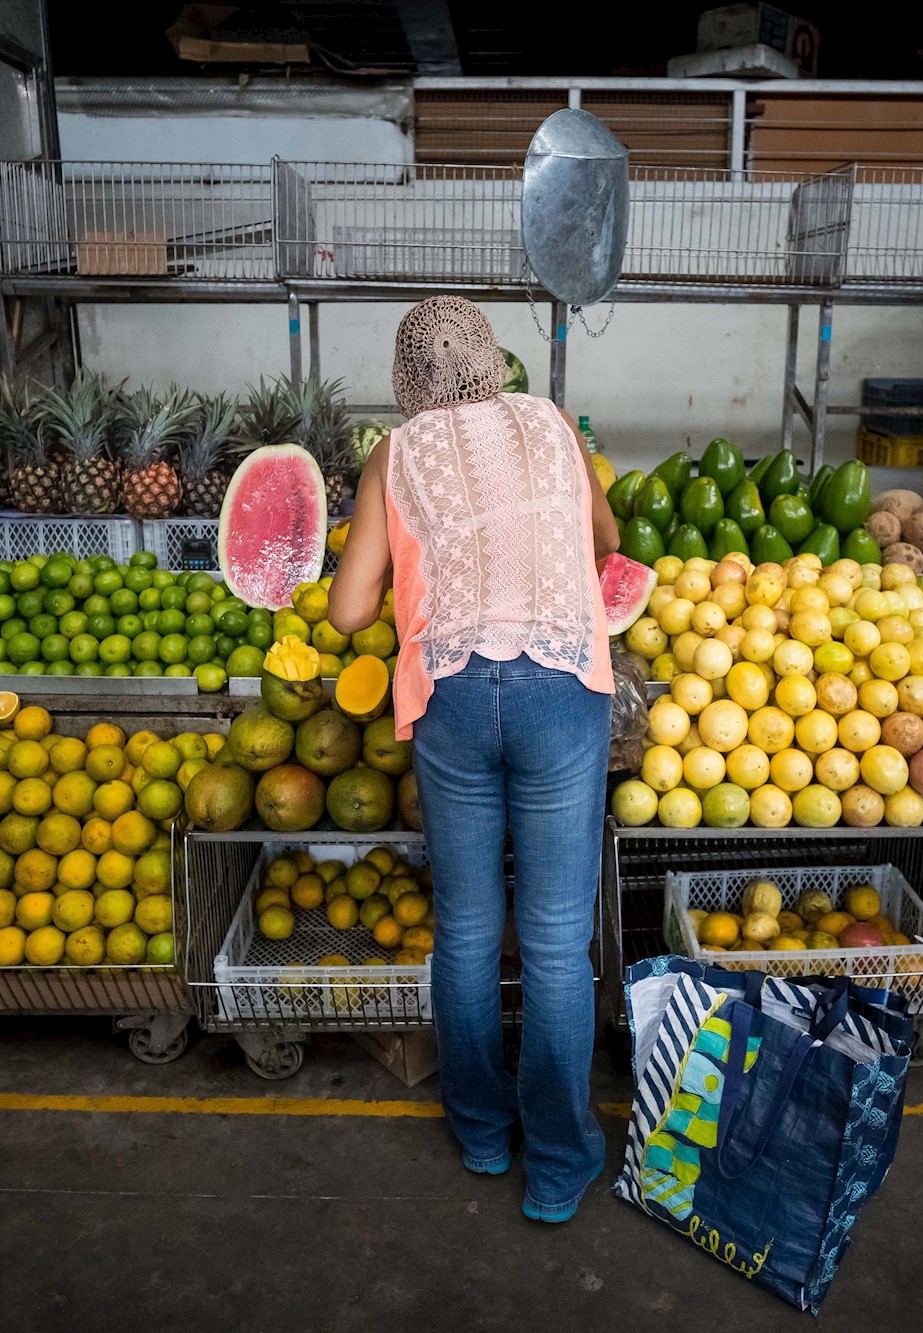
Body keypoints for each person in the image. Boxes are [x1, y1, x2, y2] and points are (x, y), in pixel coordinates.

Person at [328, 296, 620, 1223]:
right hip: (562, 686)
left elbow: (344, 613)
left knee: (463, 928)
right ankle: (561, 1163)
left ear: (407, 383)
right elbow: (606, 544)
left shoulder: (395, 454)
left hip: (451, 692)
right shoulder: (553, 425)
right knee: (555, 940)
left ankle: (484, 1132)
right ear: (494, 360)